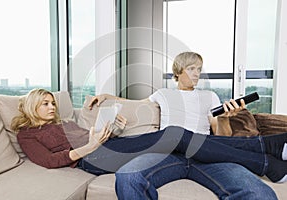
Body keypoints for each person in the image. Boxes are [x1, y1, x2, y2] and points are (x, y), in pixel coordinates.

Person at [12, 89, 286, 198]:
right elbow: (50, 160)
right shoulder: (27, 134)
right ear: (32, 106)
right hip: (92, 157)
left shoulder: (63, 124)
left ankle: (268, 156)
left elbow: (93, 134)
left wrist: (113, 125)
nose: (51, 106)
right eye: (45, 103)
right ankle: (268, 151)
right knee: (176, 133)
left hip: (108, 146)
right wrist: (91, 146)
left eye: (52, 102)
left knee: (178, 136)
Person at [90, 52, 284, 199]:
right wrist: (107, 96)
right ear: (178, 71)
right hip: (168, 155)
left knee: (260, 193)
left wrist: (225, 118)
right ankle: (267, 152)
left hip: (209, 156)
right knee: (128, 177)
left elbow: (221, 135)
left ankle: (268, 154)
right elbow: (133, 104)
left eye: (199, 69)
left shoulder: (210, 96)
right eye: (192, 69)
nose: (197, 74)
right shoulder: (163, 94)